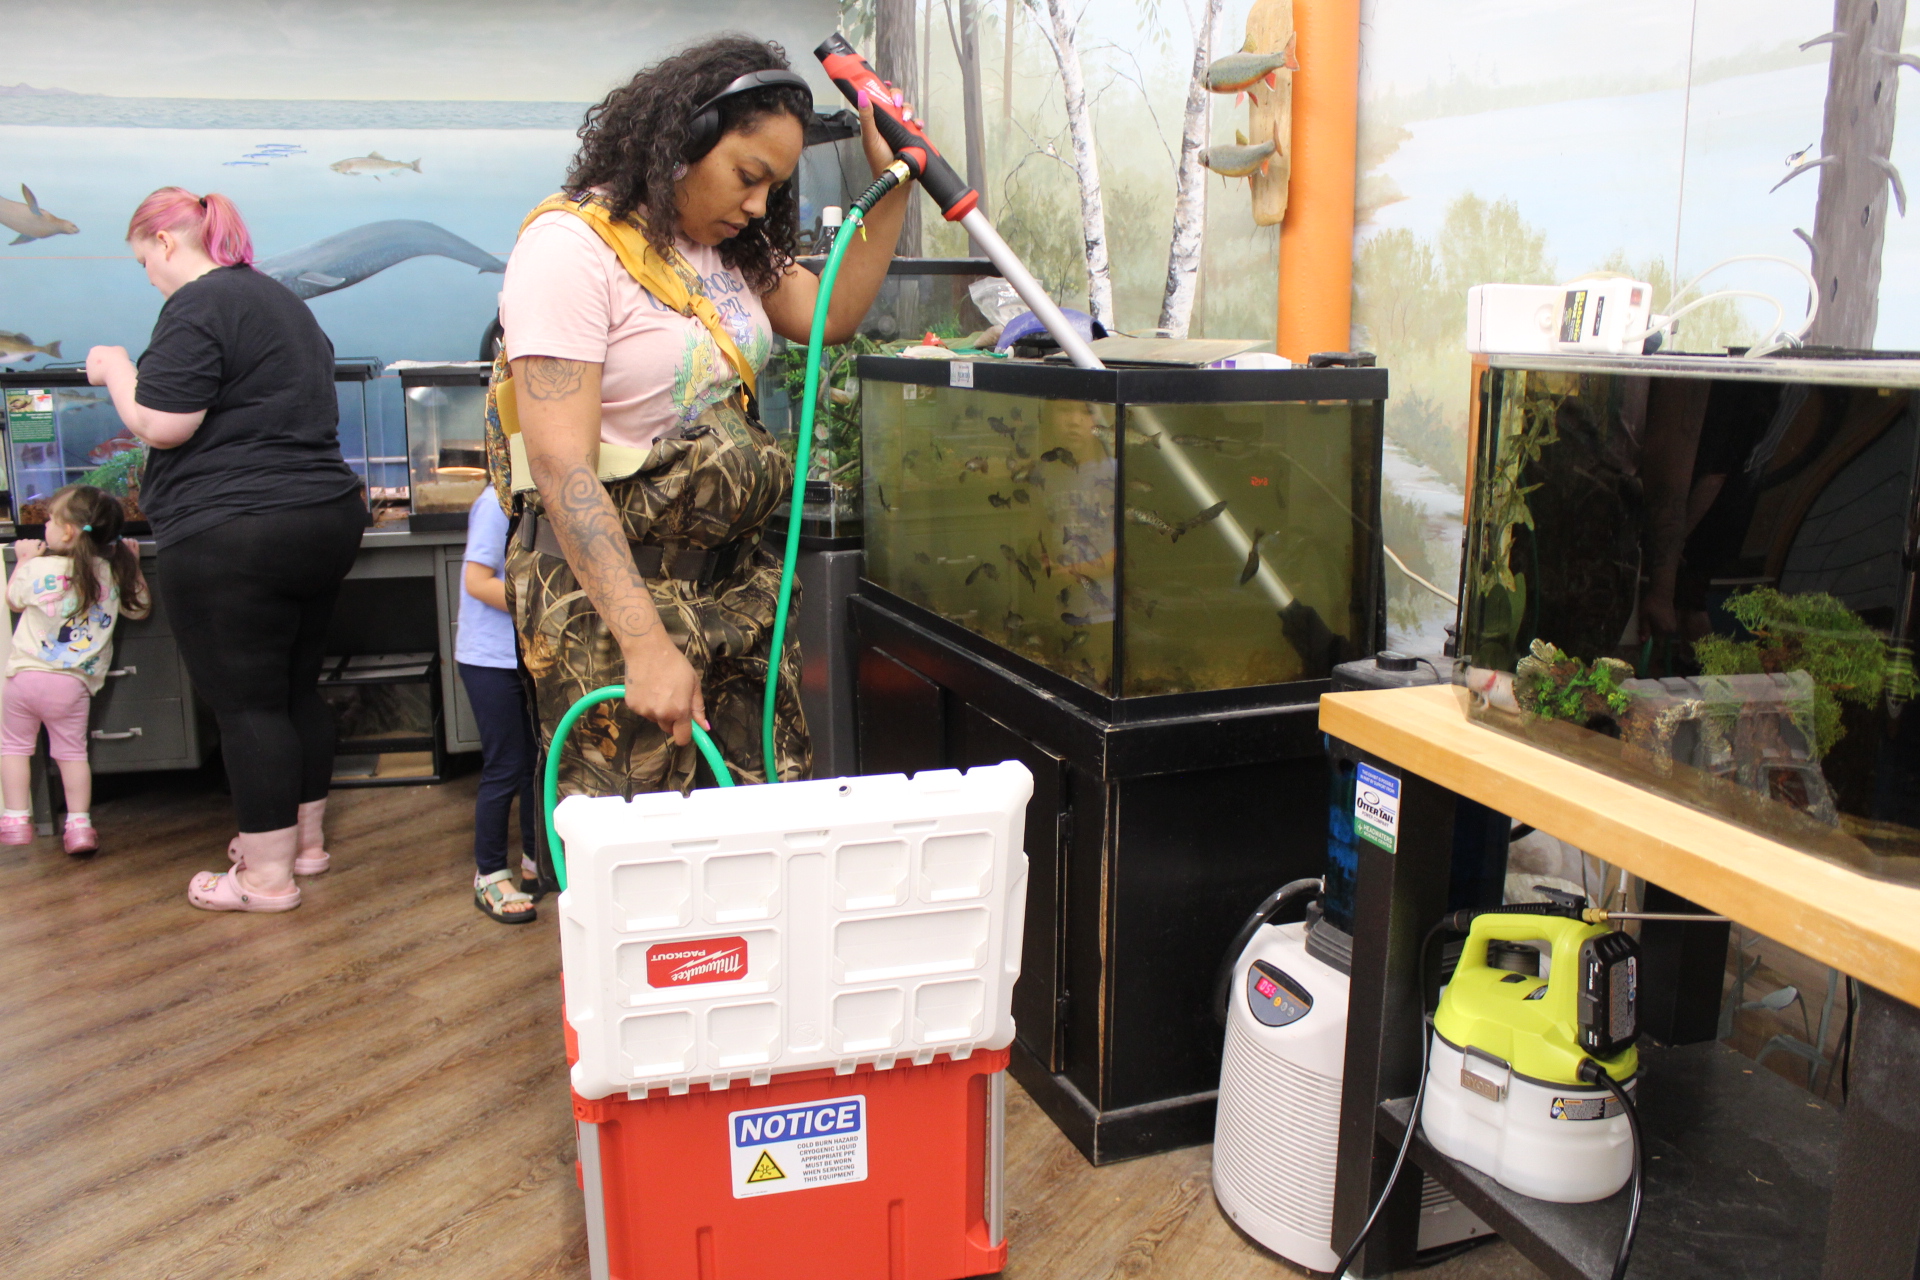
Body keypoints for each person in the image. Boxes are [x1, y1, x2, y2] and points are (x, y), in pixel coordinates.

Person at [501, 36, 908, 800]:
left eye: (773, 187)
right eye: (748, 177)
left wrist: (896, 182)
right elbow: (560, 465)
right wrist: (644, 644)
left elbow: (831, 314)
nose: (758, 205)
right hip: (617, 603)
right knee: (647, 838)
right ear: (682, 140)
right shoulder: (572, 249)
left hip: (736, 592)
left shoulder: (734, 250)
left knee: (759, 823)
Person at [86, 187, 368, 913]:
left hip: (235, 530)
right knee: (294, 690)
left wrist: (115, 368)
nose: (148, 274)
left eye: (143, 259)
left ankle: (265, 880)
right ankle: (302, 844)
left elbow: (164, 422)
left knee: (248, 707)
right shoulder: (281, 303)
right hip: (323, 518)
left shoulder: (198, 304)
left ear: (165, 242)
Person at [0, 485, 151, 855]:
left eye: (51, 519)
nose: (45, 525)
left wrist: (23, 561)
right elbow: (140, 609)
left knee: (14, 748)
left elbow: (14, 600)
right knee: (71, 754)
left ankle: (15, 818)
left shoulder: (38, 567)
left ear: (68, 531)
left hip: (23, 678)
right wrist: (134, 566)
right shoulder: (110, 573)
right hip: (70, 687)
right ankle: (79, 826)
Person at [457, 487, 540, 923]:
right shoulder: (497, 502)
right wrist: (542, 605)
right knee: (505, 767)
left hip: (531, 659)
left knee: (536, 764)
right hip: (489, 661)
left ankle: (534, 861)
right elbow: (476, 581)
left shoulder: (545, 496)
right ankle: (488, 874)